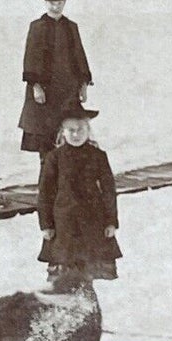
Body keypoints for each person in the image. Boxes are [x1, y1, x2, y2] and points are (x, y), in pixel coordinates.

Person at [37, 105, 120, 283]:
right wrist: (46, 224)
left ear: (88, 130)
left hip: (93, 220)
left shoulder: (98, 156)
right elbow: (45, 193)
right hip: (64, 222)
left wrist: (111, 221)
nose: (76, 135)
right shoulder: (54, 158)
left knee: (90, 269)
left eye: (80, 129)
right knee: (66, 272)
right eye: (71, 130)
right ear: (62, 132)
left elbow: (108, 191)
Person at [19, 0, 92, 161]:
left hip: (67, 92)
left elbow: (79, 56)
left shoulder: (71, 27)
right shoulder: (37, 27)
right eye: (52, 3)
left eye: (59, 3)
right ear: (46, 2)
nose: (55, 7)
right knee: (46, 141)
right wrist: (35, 86)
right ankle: (47, 185)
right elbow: (30, 58)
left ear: (65, 2)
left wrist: (83, 84)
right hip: (44, 95)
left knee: (68, 138)